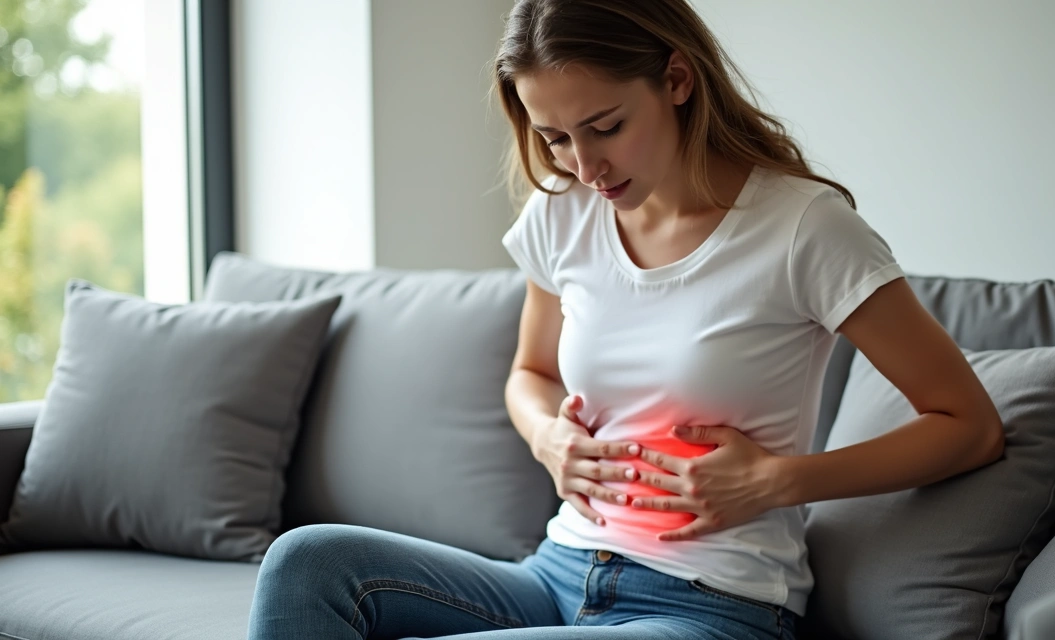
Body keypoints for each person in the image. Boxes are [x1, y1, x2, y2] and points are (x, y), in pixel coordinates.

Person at [245, 1, 1005, 638]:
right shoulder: (564, 213)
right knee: (305, 562)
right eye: (554, 138)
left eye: (605, 127)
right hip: (557, 571)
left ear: (676, 79)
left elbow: (967, 424)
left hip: (714, 606)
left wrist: (778, 481)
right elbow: (531, 374)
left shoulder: (804, 227)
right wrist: (549, 439)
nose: (584, 166)